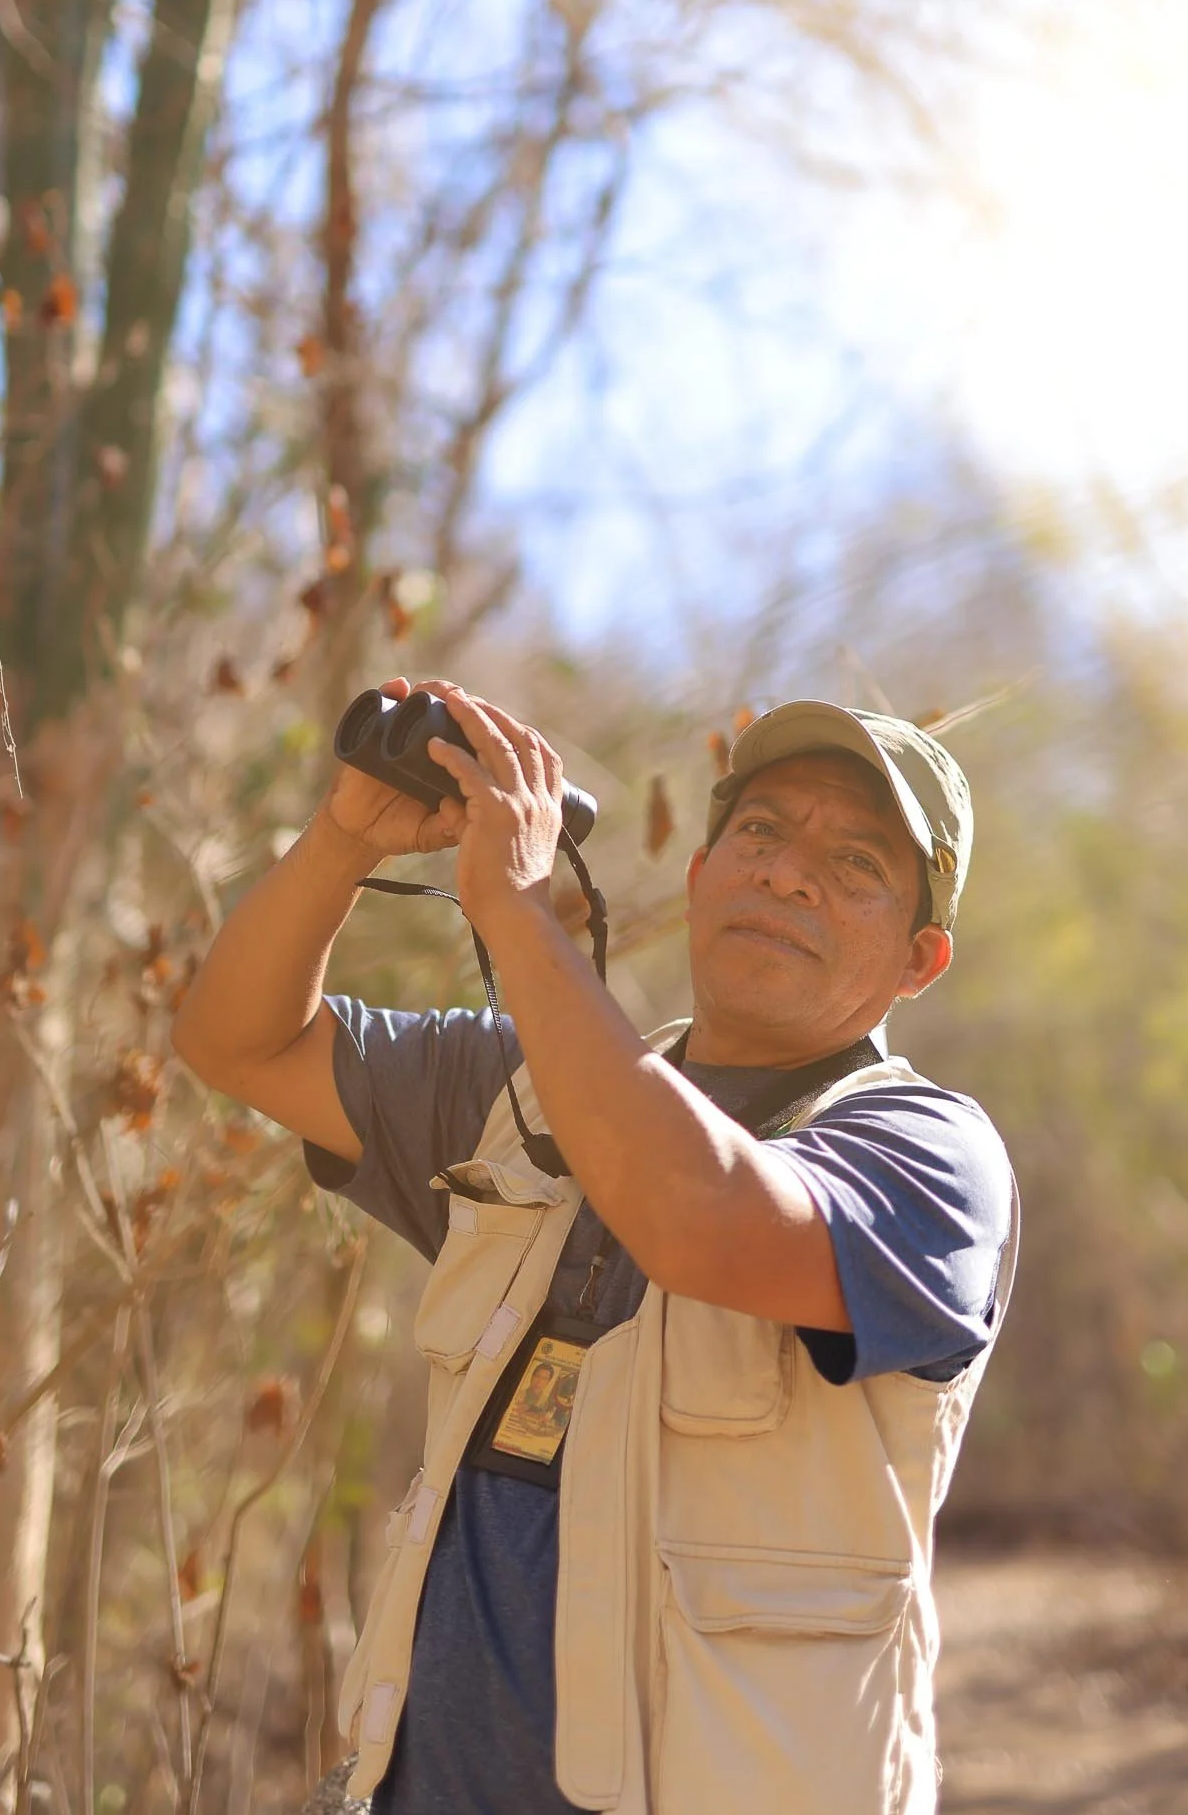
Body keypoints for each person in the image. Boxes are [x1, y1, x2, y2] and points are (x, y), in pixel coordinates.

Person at [173, 678, 1017, 1815]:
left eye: (855, 863)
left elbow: (694, 1217)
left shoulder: (930, 1156)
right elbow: (237, 1038)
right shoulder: (523, 1092)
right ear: (696, 875)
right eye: (758, 832)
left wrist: (519, 913)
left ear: (918, 962)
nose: (783, 871)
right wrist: (343, 839)